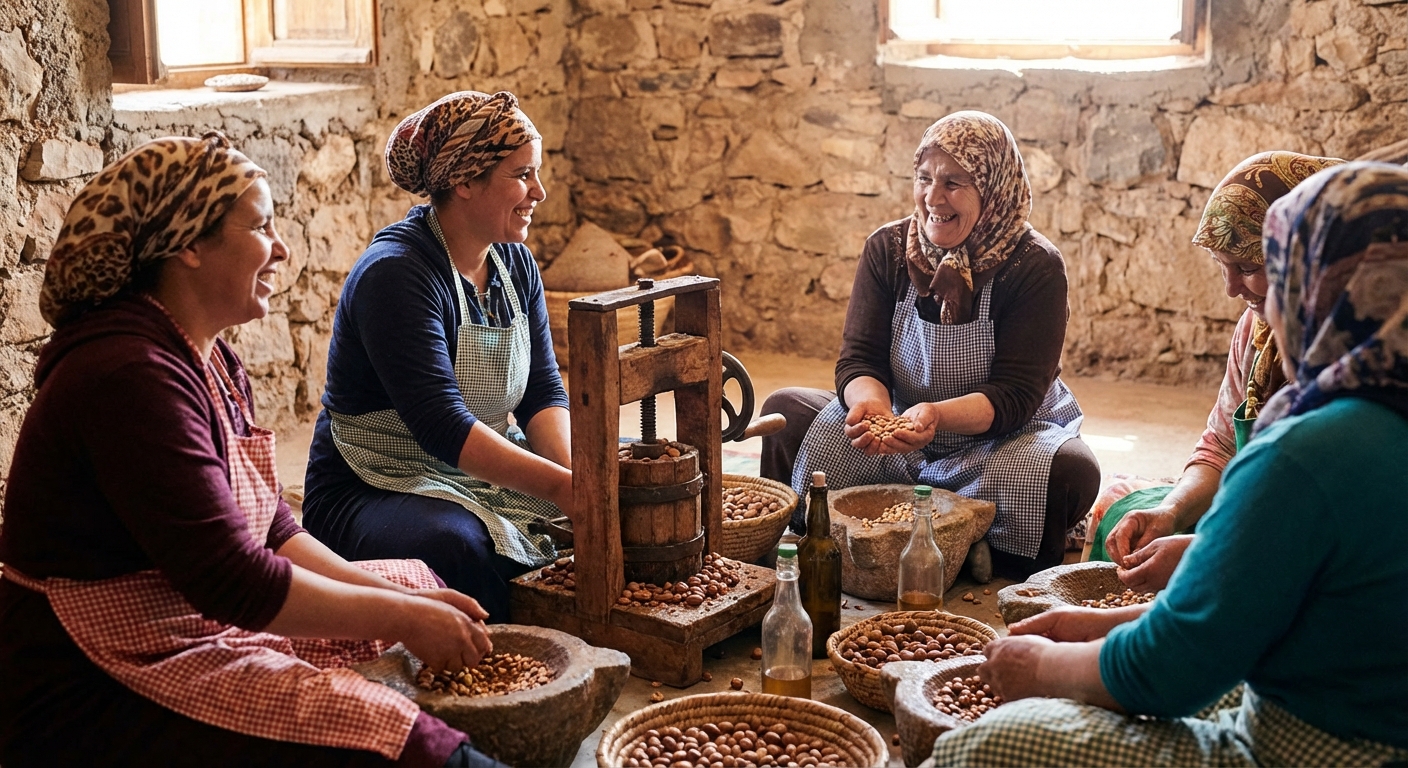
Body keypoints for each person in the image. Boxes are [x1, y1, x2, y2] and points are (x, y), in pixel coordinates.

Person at [0, 133, 503, 766]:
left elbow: (272, 526)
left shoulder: (208, 359)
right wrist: (402, 620)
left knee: (413, 580)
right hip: (99, 666)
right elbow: (235, 582)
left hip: (187, 609)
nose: (281, 249)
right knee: (398, 738)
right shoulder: (126, 377)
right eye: (261, 226)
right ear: (187, 243)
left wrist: (405, 604)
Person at [931, 161, 1408, 768]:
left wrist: (1044, 666)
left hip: (1326, 747)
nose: (1242, 291)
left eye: (1275, 274)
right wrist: (1192, 555)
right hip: (1367, 694)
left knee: (984, 746)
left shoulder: (1305, 454)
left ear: (1322, 289)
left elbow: (1172, 673)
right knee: (1128, 512)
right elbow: (1327, 591)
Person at [760, 111, 1099, 578]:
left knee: (1070, 470)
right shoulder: (888, 249)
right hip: (899, 429)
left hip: (998, 441)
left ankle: (954, 543)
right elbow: (859, 358)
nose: (933, 198)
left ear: (993, 188)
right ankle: (960, 540)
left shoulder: (1033, 266)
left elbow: (1016, 396)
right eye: (924, 179)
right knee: (785, 414)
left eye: (954, 183)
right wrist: (874, 410)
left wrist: (937, 417)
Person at [301, 91, 571, 621]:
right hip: (375, 480)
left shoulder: (514, 262)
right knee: (460, 546)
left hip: (475, 466)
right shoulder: (396, 274)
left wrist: (579, 476)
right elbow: (442, 426)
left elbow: (543, 390)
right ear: (464, 182)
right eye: (522, 175)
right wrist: (565, 489)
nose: (538, 192)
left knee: (637, 478)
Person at [1092, 152, 1344, 591]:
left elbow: (1338, 512)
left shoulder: (1366, 353)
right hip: (1263, 511)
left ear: (1306, 257)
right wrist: (1170, 511)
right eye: (1221, 266)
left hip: (1325, 539)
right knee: (1120, 510)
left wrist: (1208, 547)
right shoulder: (1259, 328)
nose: (1230, 289)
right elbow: (1222, 445)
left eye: (1247, 267)